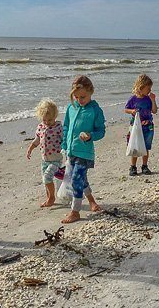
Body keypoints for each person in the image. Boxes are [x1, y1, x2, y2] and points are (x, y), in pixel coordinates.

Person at [60, 75, 105, 223]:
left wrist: (90, 136)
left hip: (85, 152)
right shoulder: (71, 108)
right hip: (71, 151)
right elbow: (66, 127)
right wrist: (64, 146)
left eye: (83, 97)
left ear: (91, 92)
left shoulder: (95, 110)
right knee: (81, 178)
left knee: (76, 179)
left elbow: (101, 131)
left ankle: (75, 211)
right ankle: (92, 201)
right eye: (76, 97)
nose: (80, 100)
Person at [26, 99, 64, 207]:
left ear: (55, 116)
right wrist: (30, 149)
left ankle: (51, 198)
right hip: (44, 160)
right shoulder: (41, 127)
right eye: (44, 120)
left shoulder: (58, 128)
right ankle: (49, 197)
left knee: (47, 177)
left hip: (56, 159)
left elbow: (64, 140)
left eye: (50, 120)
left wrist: (67, 150)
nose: (47, 122)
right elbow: (37, 140)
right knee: (45, 180)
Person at [124, 74, 158, 176]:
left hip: (148, 127)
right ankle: (133, 166)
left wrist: (153, 100)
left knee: (146, 147)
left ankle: (144, 166)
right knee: (134, 146)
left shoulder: (148, 99)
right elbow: (126, 109)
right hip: (135, 127)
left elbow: (154, 111)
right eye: (148, 88)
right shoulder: (133, 99)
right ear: (141, 87)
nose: (149, 90)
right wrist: (132, 111)